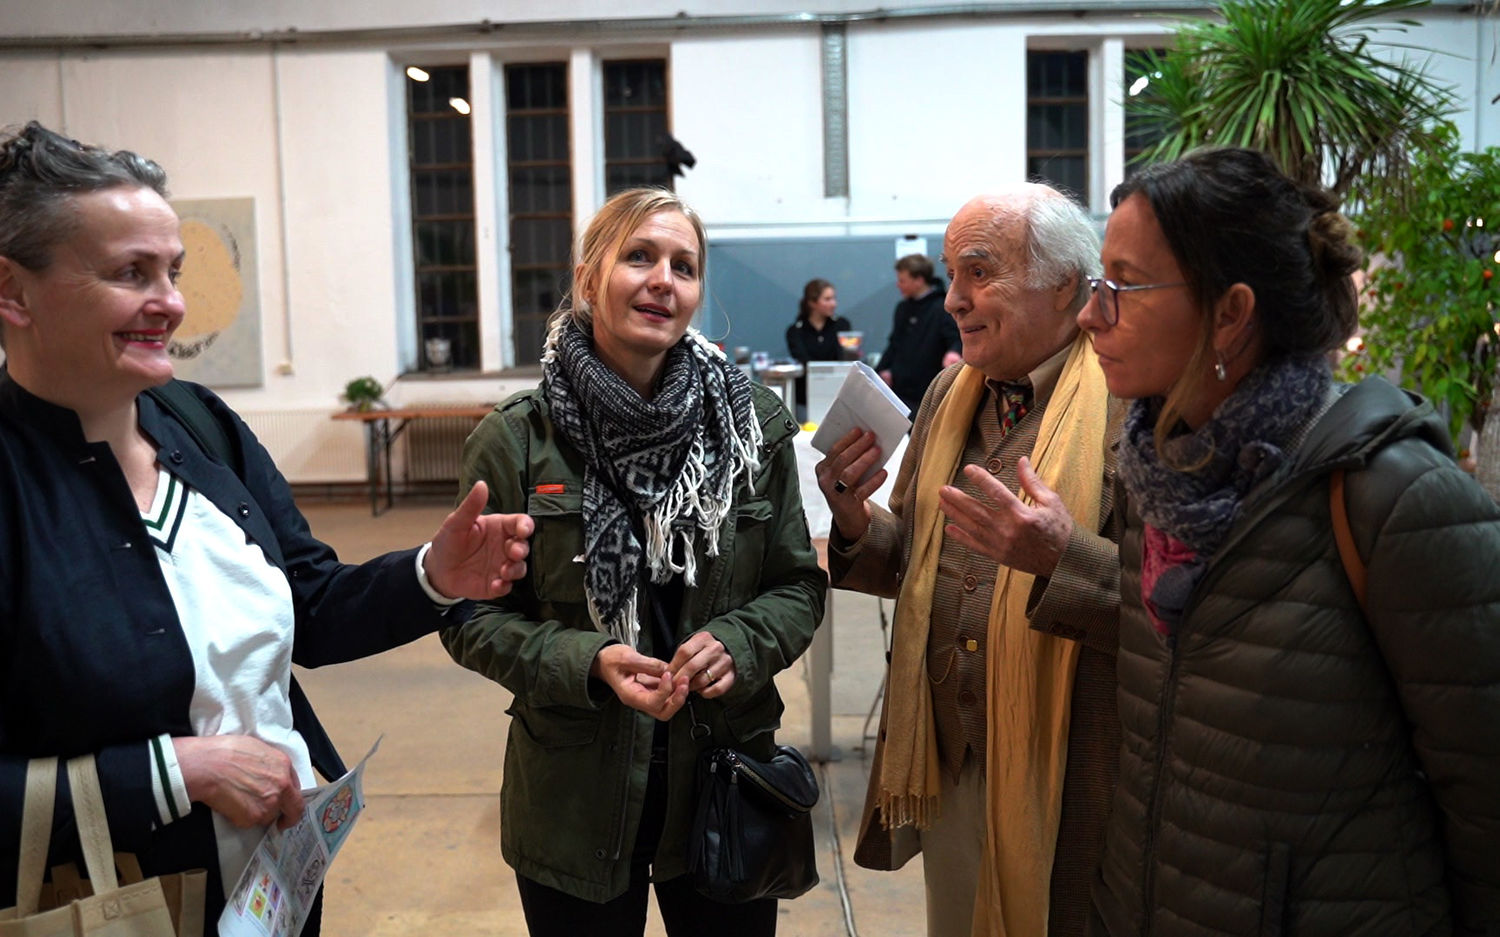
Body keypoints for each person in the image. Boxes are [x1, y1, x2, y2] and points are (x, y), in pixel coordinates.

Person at [0, 122, 535, 931]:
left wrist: (434, 574)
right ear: (13, 292)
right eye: (130, 273)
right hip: (116, 906)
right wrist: (171, 771)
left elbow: (312, 602)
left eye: (173, 271)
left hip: (274, 887)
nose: (172, 303)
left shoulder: (197, 423)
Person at [1078, 147, 1500, 936]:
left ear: (1231, 312)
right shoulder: (1158, 478)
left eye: (1124, 286)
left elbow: (1487, 802)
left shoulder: (1398, 497)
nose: (1090, 313)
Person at [440, 187, 826, 937]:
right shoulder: (518, 440)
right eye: (640, 256)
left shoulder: (750, 427)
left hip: (724, 781)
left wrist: (740, 642)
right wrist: (586, 660)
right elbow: (468, 616)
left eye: (684, 266)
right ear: (589, 280)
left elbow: (797, 584)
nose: (663, 279)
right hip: (574, 798)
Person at [817, 184, 1123, 937]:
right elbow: (916, 560)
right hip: (949, 759)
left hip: (1072, 765)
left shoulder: (1128, 403)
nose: (954, 300)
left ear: (1064, 286)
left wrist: (1061, 557)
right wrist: (857, 524)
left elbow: (1180, 604)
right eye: (952, 274)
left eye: (979, 272)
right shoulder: (949, 395)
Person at [872, 254, 962, 415]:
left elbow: (955, 337)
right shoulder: (902, 308)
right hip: (900, 390)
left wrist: (954, 351)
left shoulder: (942, 307)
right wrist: (883, 370)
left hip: (927, 391)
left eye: (902, 280)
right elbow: (895, 343)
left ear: (919, 280)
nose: (898, 285)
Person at [785, 277, 852, 416]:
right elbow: (803, 361)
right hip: (806, 397)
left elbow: (844, 359)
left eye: (834, 298)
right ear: (812, 303)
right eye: (827, 299)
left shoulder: (842, 325)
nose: (834, 303)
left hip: (837, 395)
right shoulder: (795, 331)